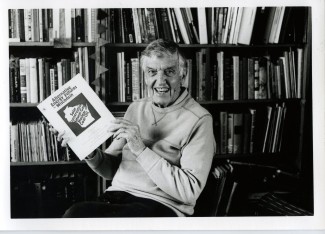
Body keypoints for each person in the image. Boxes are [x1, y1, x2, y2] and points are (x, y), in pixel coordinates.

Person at [53, 38, 216, 217]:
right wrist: (88, 151)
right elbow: (110, 169)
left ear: (183, 75)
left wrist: (140, 150)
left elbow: (189, 191)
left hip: (160, 205)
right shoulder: (136, 107)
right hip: (116, 197)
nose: (161, 81)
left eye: (169, 72)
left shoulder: (200, 119)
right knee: (74, 214)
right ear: (145, 77)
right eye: (152, 72)